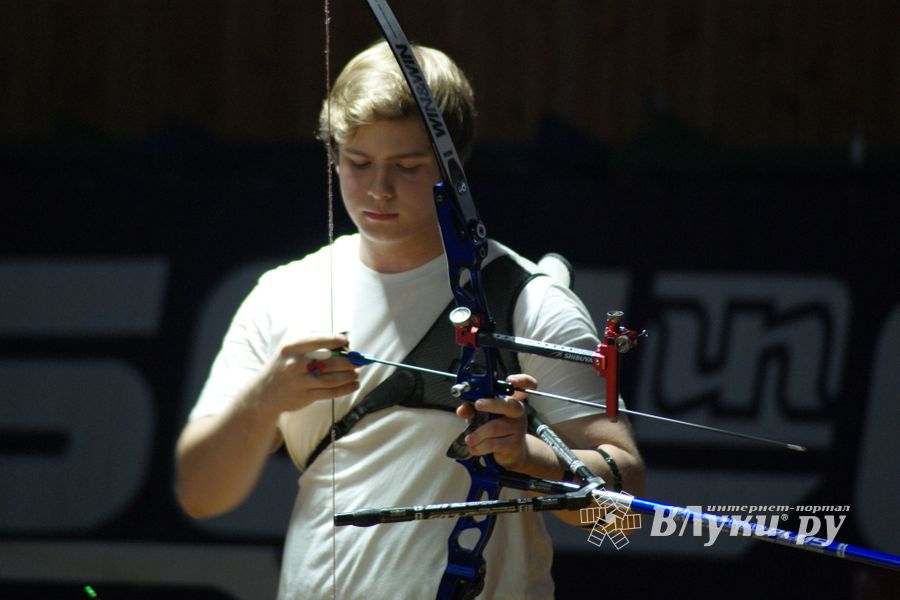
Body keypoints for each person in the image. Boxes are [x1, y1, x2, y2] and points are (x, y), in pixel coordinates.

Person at [175, 41, 644, 600]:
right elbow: (199, 495)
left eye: (408, 166)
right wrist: (264, 400)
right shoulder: (283, 293)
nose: (379, 189)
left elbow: (624, 515)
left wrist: (529, 458)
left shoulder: (525, 300)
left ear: (454, 164)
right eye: (358, 162)